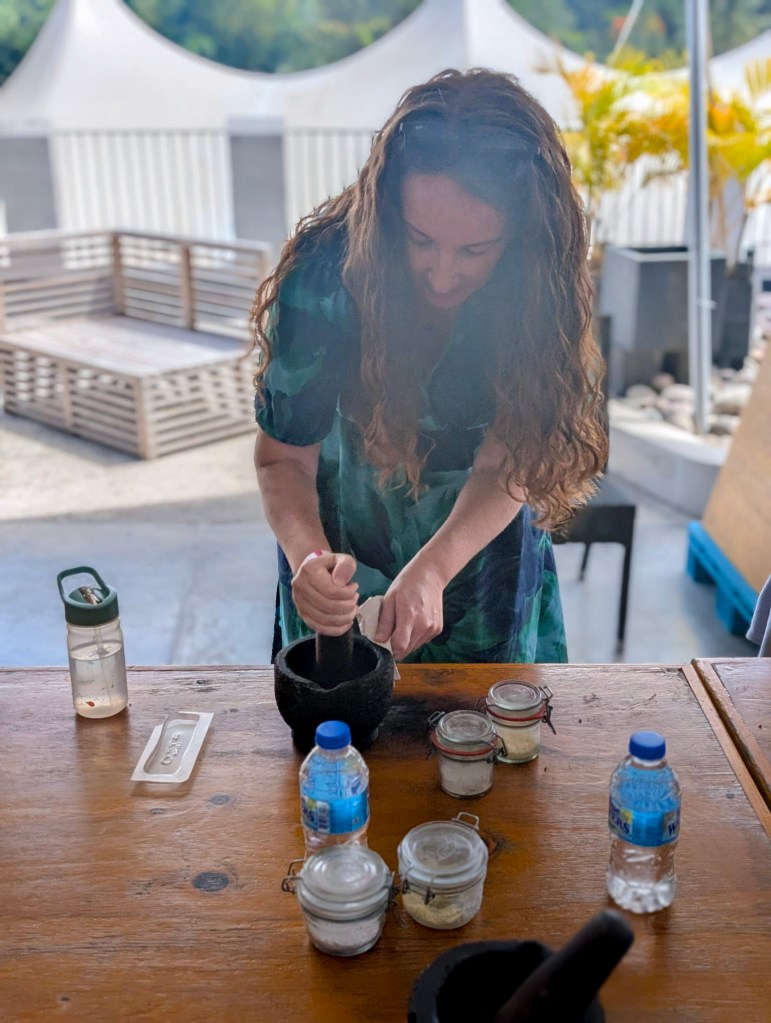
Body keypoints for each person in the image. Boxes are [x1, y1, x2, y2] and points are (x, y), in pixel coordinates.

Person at [252, 68, 607, 665]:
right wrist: (309, 560)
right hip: (340, 563)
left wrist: (435, 567)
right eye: (420, 240)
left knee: (492, 742)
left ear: (521, 236)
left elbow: (511, 460)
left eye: (475, 250)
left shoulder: (540, 284)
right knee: (341, 745)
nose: (444, 276)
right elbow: (282, 456)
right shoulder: (325, 277)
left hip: (482, 574)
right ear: (387, 211)